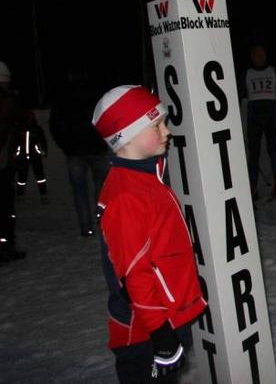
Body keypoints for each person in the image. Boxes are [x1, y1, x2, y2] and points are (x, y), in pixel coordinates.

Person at [92, 85, 207, 382]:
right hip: (146, 335)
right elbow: (134, 275)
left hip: (168, 319)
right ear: (127, 135)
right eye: (157, 125)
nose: (167, 131)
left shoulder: (146, 177)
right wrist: (161, 335)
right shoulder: (126, 195)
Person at [49, 69, 110, 237]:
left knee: (80, 190)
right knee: (101, 187)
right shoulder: (95, 95)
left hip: (76, 151)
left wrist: (65, 145)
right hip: (95, 149)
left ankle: (86, 227)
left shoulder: (63, 97)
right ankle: (101, 220)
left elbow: (54, 125)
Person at [244, 44, 276, 199]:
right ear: (252, 57)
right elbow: (241, 92)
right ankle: (253, 187)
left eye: (262, 54)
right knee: (254, 153)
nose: (259, 57)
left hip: (271, 112)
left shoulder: (273, 71)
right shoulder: (247, 73)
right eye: (256, 54)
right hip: (254, 113)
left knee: (273, 150)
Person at [0, 61, 28, 261]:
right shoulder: (8, 101)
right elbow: (23, 120)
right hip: (2, 163)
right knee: (4, 207)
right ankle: (5, 246)